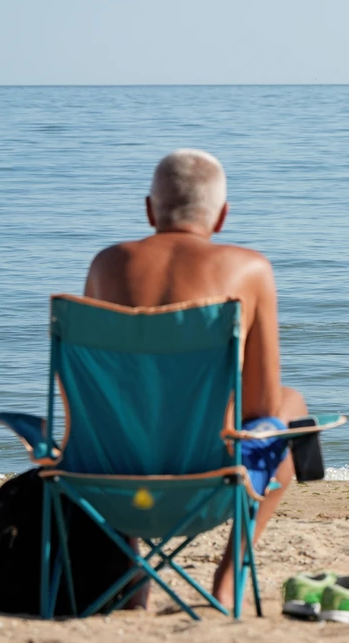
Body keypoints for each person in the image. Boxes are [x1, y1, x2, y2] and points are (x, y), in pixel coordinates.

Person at [83, 149, 306, 607]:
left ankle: (133, 572)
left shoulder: (106, 265)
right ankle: (226, 580)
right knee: (291, 406)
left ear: (149, 210)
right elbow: (262, 407)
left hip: (110, 478)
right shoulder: (250, 269)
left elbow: (91, 395)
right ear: (222, 216)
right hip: (212, 481)